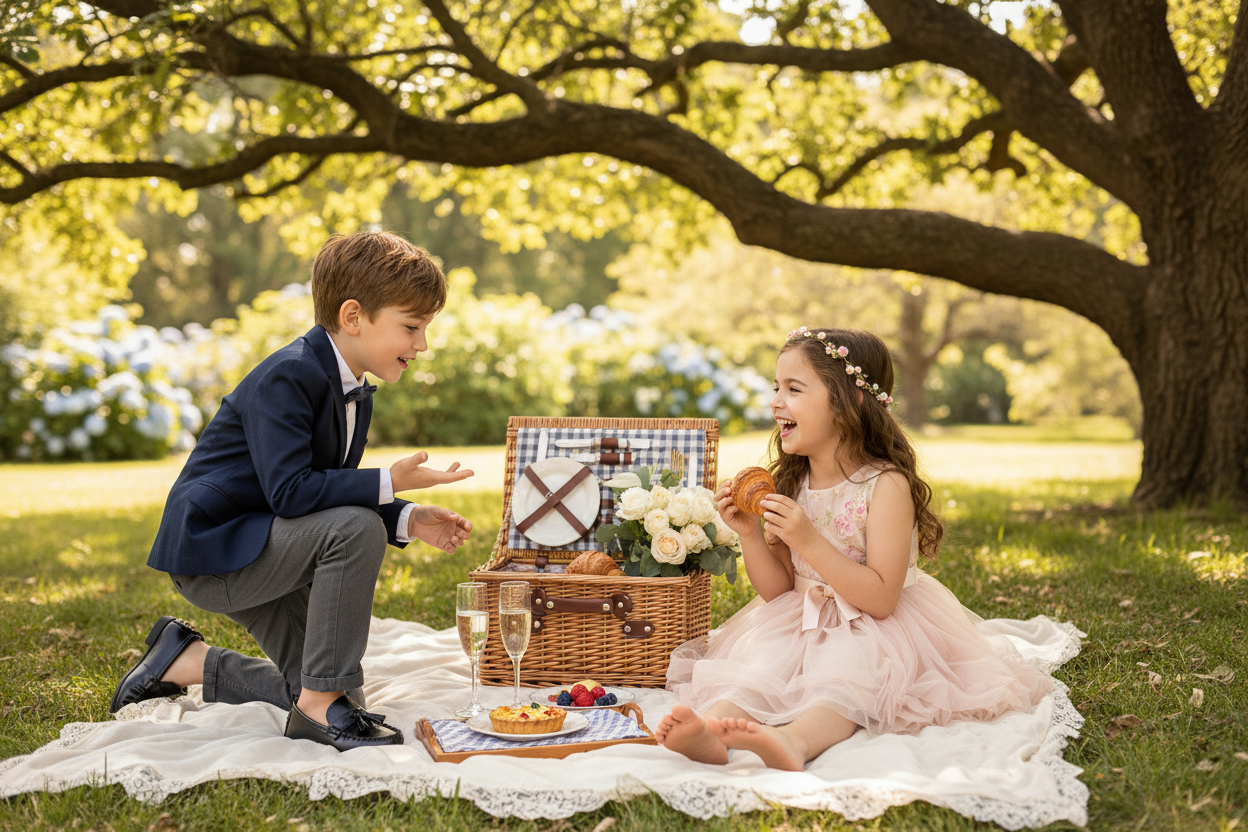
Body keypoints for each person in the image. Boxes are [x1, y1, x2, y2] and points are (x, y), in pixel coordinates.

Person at [110, 231, 475, 751]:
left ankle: (185, 661)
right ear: (353, 317)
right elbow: (291, 492)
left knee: (343, 692)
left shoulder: (351, 384)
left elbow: (319, 490)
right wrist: (387, 482)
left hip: (266, 540)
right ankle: (317, 709)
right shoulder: (290, 374)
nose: (422, 345)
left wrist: (406, 518)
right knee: (354, 532)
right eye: (412, 328)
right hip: (219, 548)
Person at [657, 326, 1051, 770]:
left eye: (794, 388)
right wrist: (750, 535)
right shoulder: (793, 482)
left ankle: (795, 742)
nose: (776, 401)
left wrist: (809, 539)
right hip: (800, 619)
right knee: (759, 668)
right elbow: (779, 591)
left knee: (841, 680)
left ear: (851, 400)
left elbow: (881, 599)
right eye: (775, 388)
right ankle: (712, 730)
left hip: (875, 626)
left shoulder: (885, 485)